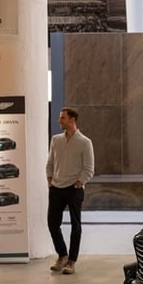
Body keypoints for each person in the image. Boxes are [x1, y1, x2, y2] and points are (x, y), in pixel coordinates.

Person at [46, 107, 94, 275]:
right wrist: (49, 179)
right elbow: (50, 162)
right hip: (56, 188)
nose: (59, 121)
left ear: (72, 120)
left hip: (74, 188)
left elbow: (89, 168)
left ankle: (71, 261)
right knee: (52, 223)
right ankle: (62, 256)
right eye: (60, 118)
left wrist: (80, 182)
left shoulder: (84, 142)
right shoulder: (56, 140)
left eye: (62, 118)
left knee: (76, 225)